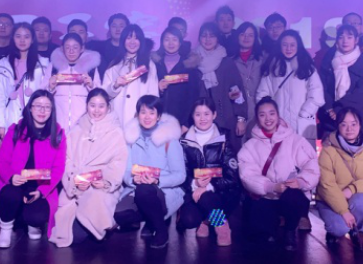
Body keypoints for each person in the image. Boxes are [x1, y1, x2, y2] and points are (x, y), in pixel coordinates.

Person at [238, 97, 320, 250]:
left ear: (278, 115)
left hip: (289, 195)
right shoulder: (250, 146)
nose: (268, 118)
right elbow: (247, 175)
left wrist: (300, 181)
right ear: (257, 118)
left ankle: (290, 229)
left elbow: (311, 164)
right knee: (258, 237)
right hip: (265, 196)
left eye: (271, 113)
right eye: (262, 115)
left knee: (293, 197)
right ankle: (220, 225)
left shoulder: (294, 140)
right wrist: (271, 186)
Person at [0, 90, 66, 247]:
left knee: (36, 217)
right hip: (15, 183)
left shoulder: (58, 134)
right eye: (38, 106)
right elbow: (2, 161)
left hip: (41, 186)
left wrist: (42, 191)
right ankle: (6, 229)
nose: (42, 110)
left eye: (47, 107)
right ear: (30, 108)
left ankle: (32, 224)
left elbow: (58, 168)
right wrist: (11, 177)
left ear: (52, 111)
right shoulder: (15, 130)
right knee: (9, 195)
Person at [50, 89, 127, 247]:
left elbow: (118, 163)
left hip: (100, 189)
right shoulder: (77, 130)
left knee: (80, 233)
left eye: (101, 106)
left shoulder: (116, 133)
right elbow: (66, 160)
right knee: (67, 232)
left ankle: (105, 224)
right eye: (92, 105)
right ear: (86, 106)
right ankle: (104, 226)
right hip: (75, 187)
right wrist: (74, 181)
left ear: (108, 107)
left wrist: (106, 182)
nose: (96, 110)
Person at [115, 96, 186, 249]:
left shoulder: (170, 140)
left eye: (152, 113)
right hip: (140, 190)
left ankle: (161, 230)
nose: (147, 117)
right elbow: (126, 171)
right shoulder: (131, 139)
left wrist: (157, 181)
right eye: (143, 112)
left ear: (159, 116)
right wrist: (133, 180)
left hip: (168, 191)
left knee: (191, 219)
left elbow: (181, 175)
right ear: (138, 115)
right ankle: (152, 221)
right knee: (119, 213)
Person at [316, 108, 363, 252]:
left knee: (362, 200)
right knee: (339, 228)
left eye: (353, 124)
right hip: (331, 201)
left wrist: (353, 189)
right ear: (338, 126)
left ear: (360, 125)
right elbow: (326, 185)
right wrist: (344, 211)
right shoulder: (328, 150)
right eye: (344, 124)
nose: (349, 129)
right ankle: (337, 230)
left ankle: (362, 232)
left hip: (356, 199)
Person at [178, 98, 239, 246]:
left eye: (207, 114)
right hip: (195, 191)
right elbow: (181, 174)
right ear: (192, 116)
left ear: (214, 115)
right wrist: (194, 183)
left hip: (222, 192)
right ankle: (206, 219)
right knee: (189, 220)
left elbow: (232, 176)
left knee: (207, 198)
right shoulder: (184, 141)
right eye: (198, 114)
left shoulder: (224, 138)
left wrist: (208, 187)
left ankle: (221, 225)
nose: (202, 118)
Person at [257, 30, 324, 148]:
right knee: (279, 157)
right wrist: (272, 116)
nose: (288, 48)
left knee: (304, 157)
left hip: (302, 124)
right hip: (278, 125)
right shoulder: (272, 67)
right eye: (285, 45)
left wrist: (304, 113)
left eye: (292, 45)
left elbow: (317, 95)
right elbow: (262, 95)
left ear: (298, 46)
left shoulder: (307, 67)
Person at [195, 22, 248, 153]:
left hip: (227, 120)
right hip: (201, 121)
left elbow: (237, 91)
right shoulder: (192, 62)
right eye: (204, 36)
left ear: (218, 38)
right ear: (199, 38)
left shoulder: (226, 62)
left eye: (212, 36)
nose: (207, 39)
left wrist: (241, 118)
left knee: (229, 157)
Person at [318, 25, 363, 140]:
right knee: (330, 151)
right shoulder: (328, 61)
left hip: (357, 121)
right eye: (341, 37)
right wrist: (329, 108)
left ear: (356, 40)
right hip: (331, 120)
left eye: (349, 37)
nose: (345, 41)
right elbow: (322, 87)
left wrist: (338, 110)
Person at [0, 23, 50, 138]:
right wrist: (0, 124)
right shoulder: (3, 64)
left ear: (32, 39)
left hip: (35, 118)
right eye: (18, 36)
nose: (22, 40)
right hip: (11, 116)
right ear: (13, 38)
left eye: (26, 37)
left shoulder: (43, 64)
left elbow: (46, 93)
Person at [101, 24, 159, 127]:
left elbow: (153, 95)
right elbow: (104, 95)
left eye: (136, 38)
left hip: (141, 120)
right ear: (123, 41)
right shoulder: (114, 65)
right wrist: (115, 86)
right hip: (117, 120)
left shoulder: (149, 65)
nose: (132, 42)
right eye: (128, 38)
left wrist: (147, 116)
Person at [152, 27, 204, 132]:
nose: (171, 43)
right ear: (162, 42)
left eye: (174, 39)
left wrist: (187, 123)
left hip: (180, 122)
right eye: (167, 39)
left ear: (180, 43)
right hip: (157, 120)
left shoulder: (188, 66)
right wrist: (158, 88)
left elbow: (193, 97)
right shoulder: (155, 65)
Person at [48, 33, 102, 133]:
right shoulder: (54, 67)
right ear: (62, 49)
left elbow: (100, 95)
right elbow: (42, 94)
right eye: (67, 47)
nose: (71, 51)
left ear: (82, 48)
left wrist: (91, 86)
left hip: (83, 124)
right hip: (58, 123)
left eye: (75, 47)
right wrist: (50, 88)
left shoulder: (91, 68)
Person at [233, 21, 263, 123]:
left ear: (255, 38)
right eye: (243, 34)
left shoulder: (263, 59)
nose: (246, 38)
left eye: (250, 35)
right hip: (237, 111)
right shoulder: (230, 61)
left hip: (259, 109)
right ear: (237, 36)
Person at [88, 13, 130, 78]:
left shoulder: (132, 49)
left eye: (121, 26)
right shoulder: (98, 48)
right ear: (109, 29)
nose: (118, 29)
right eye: (114, 26)